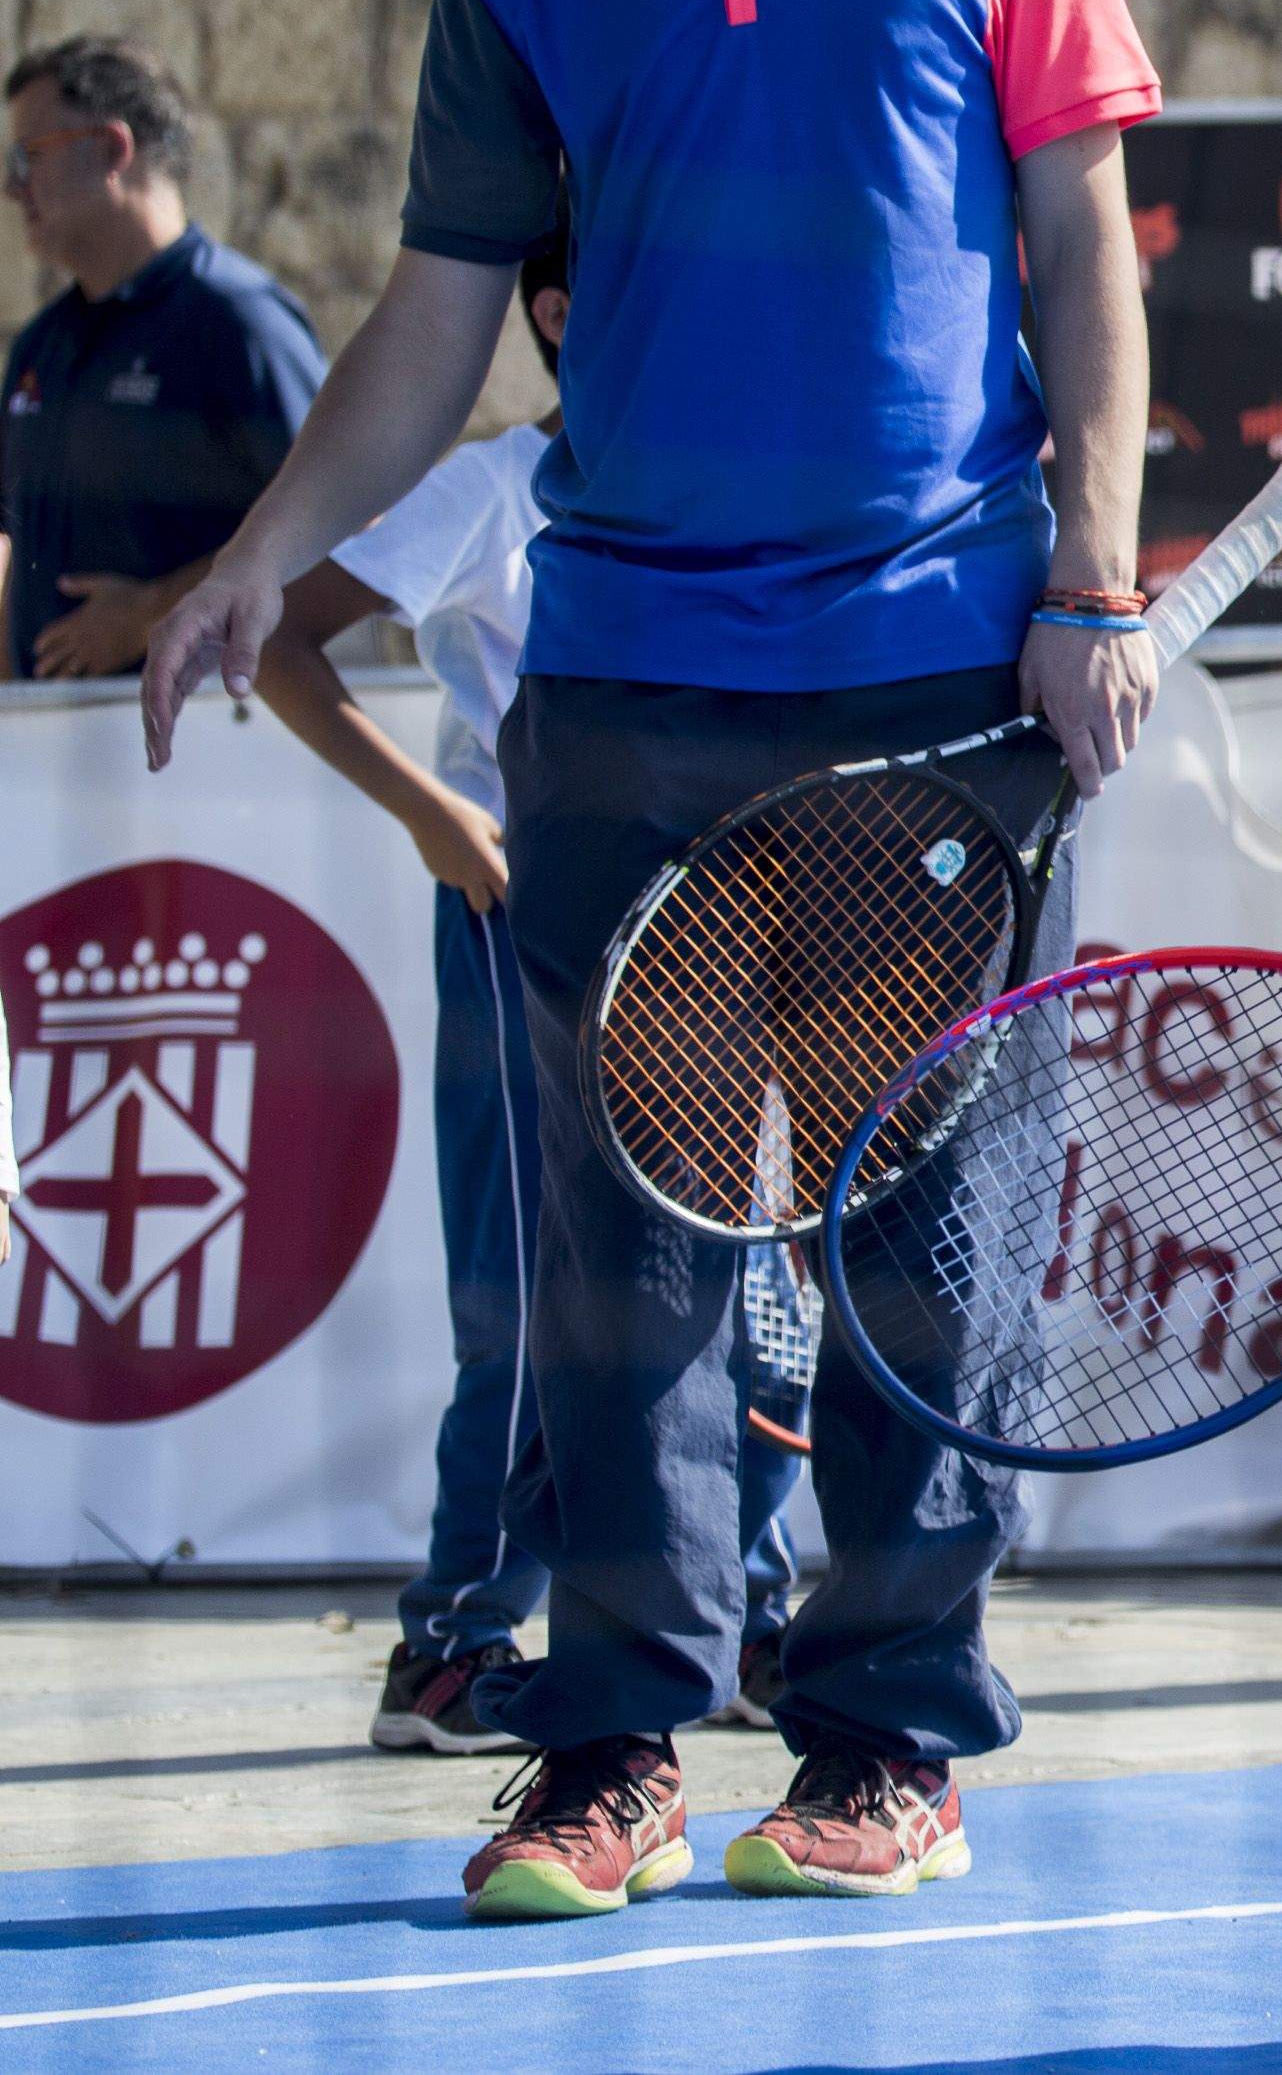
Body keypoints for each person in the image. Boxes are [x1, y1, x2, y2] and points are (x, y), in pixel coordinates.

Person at [140, 0, 1159, 1923]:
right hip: (622, 689)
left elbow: (1082, 238)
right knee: (627, 1263)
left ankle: (887, 1740)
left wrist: (1093, 573)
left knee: (921, 1245)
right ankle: (610, 1743)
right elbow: (427, 321)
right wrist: (257, 556)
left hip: (930, 676)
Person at [249, 238, 806, 1756]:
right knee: (526, 1292)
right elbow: (285, 642)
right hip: (527, 930)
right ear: (563, 313)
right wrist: (439, 812)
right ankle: (455, 1642)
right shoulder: (492, 491)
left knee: (752, 1294)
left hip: (715, 937)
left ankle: (745, 1616)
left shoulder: (731, 495)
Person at [1, 37, 324, 678]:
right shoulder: (42, 345)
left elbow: (338, 527)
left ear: (114, 149)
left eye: (28, 157)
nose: (12, 188)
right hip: (45, 752)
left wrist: (151, 610)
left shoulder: (240, 321)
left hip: (198, 746)